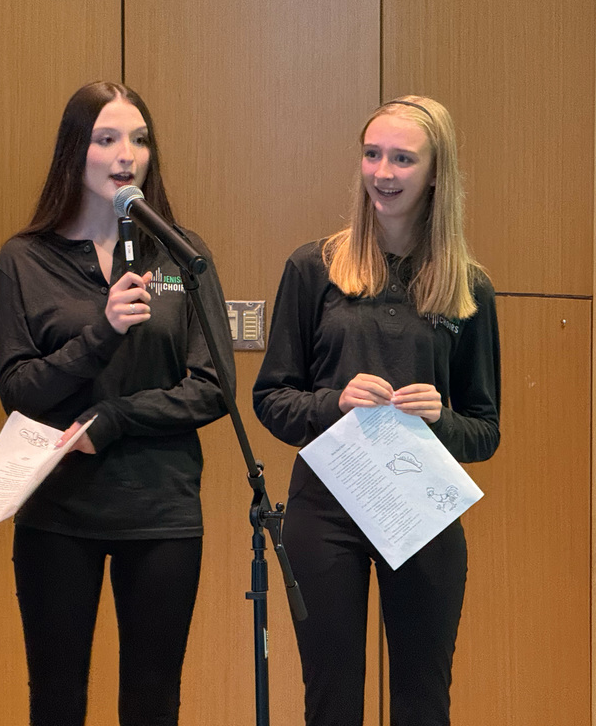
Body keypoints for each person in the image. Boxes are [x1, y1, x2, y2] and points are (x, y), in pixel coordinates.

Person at [252, 96, 500, 726]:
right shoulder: (314, 268)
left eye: (402, 159)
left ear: (435, 174)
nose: (382, 173)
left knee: (423, 700)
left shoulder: (468, 286)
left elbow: (485, 429)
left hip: (421, 514)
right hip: (325, 511)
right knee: (331, 701)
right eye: (371, 154)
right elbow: (271, 399)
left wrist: (441, 419)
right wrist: (333, 402)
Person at [0, 81, 235, 726]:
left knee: (153, 702)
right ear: (75, 152)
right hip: (57, 510)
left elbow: (214, 385)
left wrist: (118, 419)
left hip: (160, 512)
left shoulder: (182, 255)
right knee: (56, 698)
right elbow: (18, 390)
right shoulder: (26, 259)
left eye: (139, 139)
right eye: (106, 139)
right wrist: (100, 334)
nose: (126, 154)